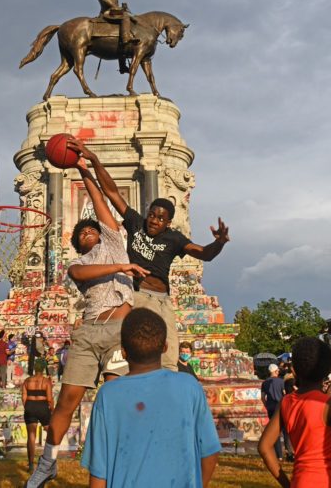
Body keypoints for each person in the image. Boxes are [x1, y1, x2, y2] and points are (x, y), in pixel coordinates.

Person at [26, 154, 149, 488]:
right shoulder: (76, 265)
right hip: (88, 331)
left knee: (117, 396)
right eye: (84, 233)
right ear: (78, 241)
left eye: (94, 229)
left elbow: (99, 201)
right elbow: (82, 272)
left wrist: (84, 168)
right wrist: (120, 269)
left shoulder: (113, 242)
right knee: (67, 401)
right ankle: (47, 462)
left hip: (119, 331)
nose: (90, 233)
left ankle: (123, 463)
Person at [70, 137, 230, 371]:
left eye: (160, 218)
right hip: (141, 295)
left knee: (170, 354)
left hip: (164, 299)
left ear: (168, 222)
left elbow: (204, 253)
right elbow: (112, 192)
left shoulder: (174, 238)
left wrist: (220, 242)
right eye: (152, 214)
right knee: (152, 352)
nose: (154, 220)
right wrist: (93, 160)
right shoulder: (136, 223)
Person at [81, 308, 220, 487]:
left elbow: (99, 473)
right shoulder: (190, 386)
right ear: (165, 347)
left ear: (123, 352)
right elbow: (210, 452)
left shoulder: (108, 395)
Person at [258, 337, 331, 488]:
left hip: (299, 482)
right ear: (328, 369)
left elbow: (264, 447)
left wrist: (287, 484)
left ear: (294, 370)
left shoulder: (285, 402)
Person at [96, 0, 138, 74]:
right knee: (125, 17)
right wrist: (116, 7)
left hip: (113, 10)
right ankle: (126, 39)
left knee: (125, 22)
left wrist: (122, 7)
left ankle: (122, 65)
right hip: (108, 12)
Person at [22, 358, 54, 473]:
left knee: (31, 436)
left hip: (30, 406)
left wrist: (28, 408)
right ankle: (49, 461)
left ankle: (31, 464)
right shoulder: (46, 381)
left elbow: (24, 398)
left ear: (35, 368)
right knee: (51, 434)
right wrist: (52, 410)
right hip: (43, 407)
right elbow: (50, 399)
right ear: (43, 368)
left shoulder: (27, 381)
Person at [262, 363, 286, 460]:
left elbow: (263, 397)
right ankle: (289, 452)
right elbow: (284, 394)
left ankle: (279, 455)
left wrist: (266, 405)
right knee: (285, 430)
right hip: (280, 407)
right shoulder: (281, 381)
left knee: (275, 431)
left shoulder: (265, 383)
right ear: (276, 371)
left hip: (271, 408)